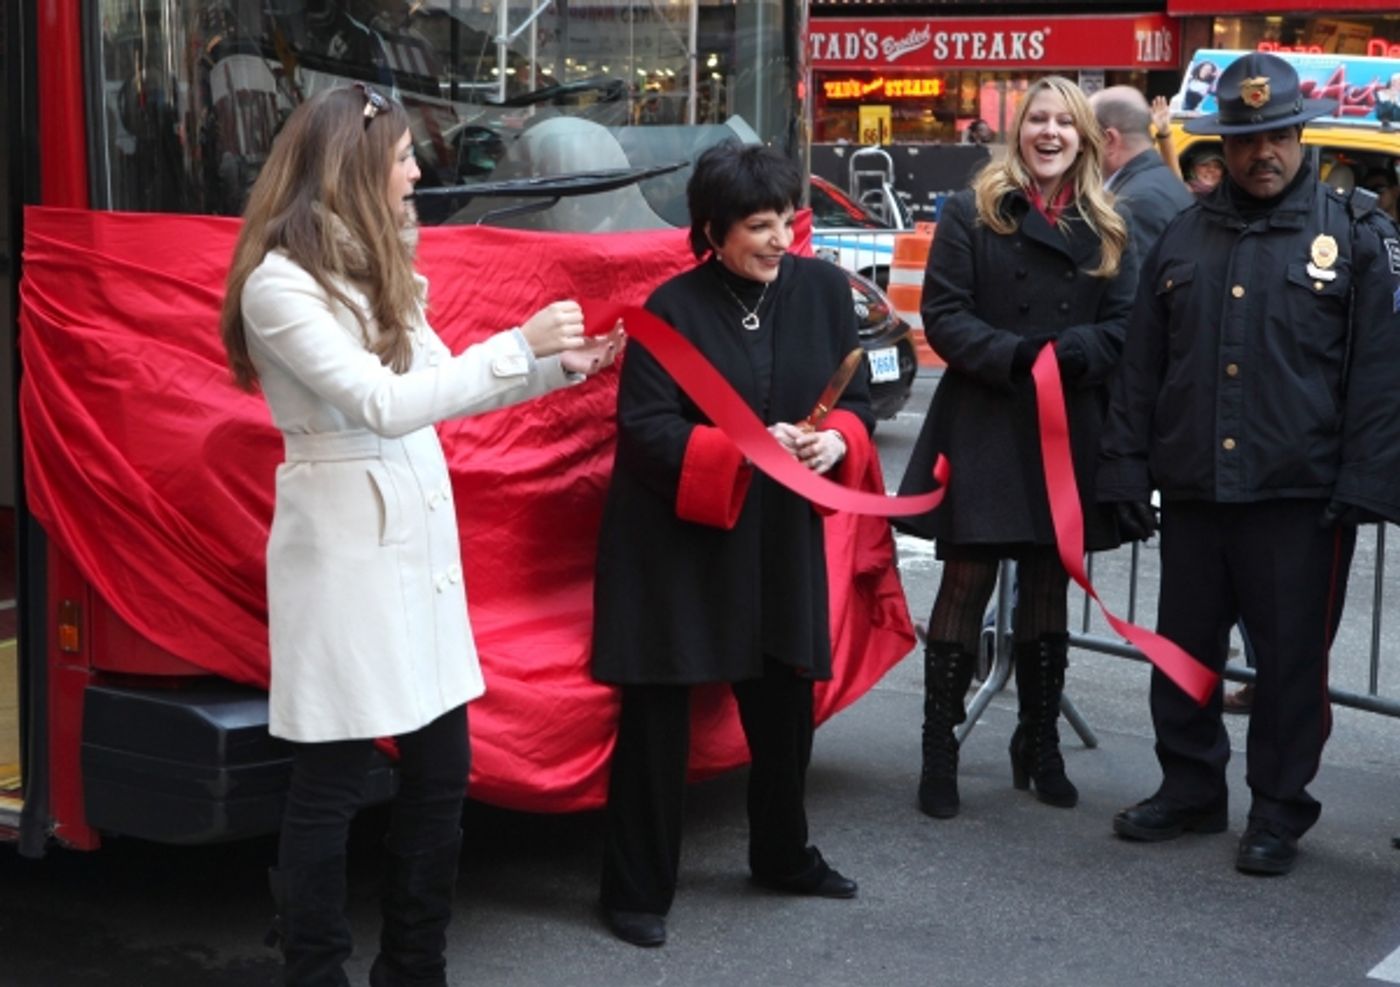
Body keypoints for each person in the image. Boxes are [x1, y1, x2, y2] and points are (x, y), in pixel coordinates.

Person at [219, 84, 621, 985]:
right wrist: (519, 343)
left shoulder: (379, 266)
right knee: (329, 781)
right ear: (353, 162)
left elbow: (445, 383)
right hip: (346, 550)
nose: (415, 169)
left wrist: (556, 367)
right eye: (401, 155)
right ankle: (316, 969)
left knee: (441, 772)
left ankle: (415, 966)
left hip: (413, 541)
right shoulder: (280, 284)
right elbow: (383, 402)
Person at [1099, 51, 1400, 877]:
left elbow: (1380, 371)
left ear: (1300, 132)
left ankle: (1277, 809)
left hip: (1300, 498)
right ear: (1219, 146)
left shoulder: (1354, 233)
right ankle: (1192, 788)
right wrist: (1124, 466)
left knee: (1290, 668)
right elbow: (1142, 366)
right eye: (1245, 139)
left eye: (1276, 135)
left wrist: (1366, 484)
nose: (1262, 152)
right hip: (1197, 486)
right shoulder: (1183, 236)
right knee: (1184, 653)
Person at [591, 141, 874, 948]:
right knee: (657, 720)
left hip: (777, 529)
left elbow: (848, 400)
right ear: (710, 230)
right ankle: (636, 888)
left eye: (788, 219)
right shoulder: (669, 310)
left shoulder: (821, 289)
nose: (783, 239)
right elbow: (645, 433)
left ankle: (784, 854)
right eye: (760, 225)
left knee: (786, 702)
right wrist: (748, 449)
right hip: (675, 538)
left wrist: (837, 441)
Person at [895, 76, 1136, 820]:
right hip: (987, 417)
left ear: (1087, 138)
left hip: (1067, 426)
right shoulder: (971, 211)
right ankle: (940, 749)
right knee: (964, 583)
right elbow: (943, 315)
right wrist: (1020, 356)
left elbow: (1124, 327)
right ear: (1018, 129)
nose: (1051, 132)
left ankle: (1038, 742)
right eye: (1038, 118)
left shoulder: (1110, 223)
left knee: (1046, 584)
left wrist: (1065, 358)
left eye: (1067, 122)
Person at [1091, 86, 1194, 262]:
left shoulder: (1134, 203)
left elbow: (1136, 285)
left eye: (1086, 136)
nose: (1079, 146)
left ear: (1109, 140)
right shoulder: (1160, 180)